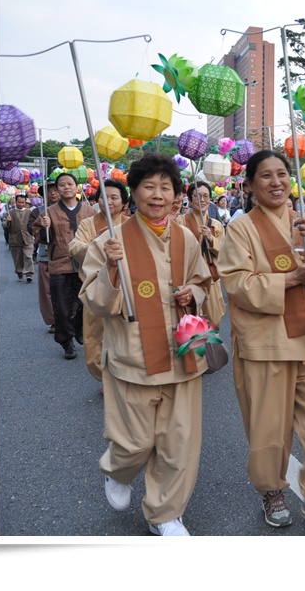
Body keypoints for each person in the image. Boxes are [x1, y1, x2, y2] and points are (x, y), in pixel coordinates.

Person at [79, 153, 213, 536]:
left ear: (176, 195)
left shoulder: (186, 238)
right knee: (134, 443)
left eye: (165, 187)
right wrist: (110, 268)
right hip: (133, 358)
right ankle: (117, 470)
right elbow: (95, 303)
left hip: (182, 354)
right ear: (134, 193)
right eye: (148, 186)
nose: (157, 195)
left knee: (179, 443)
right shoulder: (110, 241)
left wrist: (193, 294)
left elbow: (203, 283)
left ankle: (165, 514)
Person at [217, 150, 305, 535]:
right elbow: (236, 283)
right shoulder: (241, 228)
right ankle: (272, 490)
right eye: (266, 176)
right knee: (268, 432)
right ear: (249, 185)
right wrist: (290, 279)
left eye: (282, 174)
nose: (276, 182)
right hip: (268, 344)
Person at [70, 179, 131, 386]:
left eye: (115, 197)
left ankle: (121, 375)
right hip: (97, 287)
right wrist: (98, 245)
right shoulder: (88, 224)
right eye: (104, 197)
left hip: (124, 290)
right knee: (95, 336)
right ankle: (103, 376)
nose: (109, 202)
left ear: (124, 202)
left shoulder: (131, 225)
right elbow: (75, 247)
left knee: (124, 335)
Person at [32, 172, 87, 360]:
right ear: (57, 189)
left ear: (76, 187)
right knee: (61, 307)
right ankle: (67, 342)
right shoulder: (48, 212)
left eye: (69, 184)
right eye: (61, 185)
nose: (66, 187)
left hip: (85, 265)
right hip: (59, 265)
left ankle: (79, 326)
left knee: (86, 302)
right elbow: (39, 237)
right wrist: (44, 227)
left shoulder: (89, 211)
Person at [183, 181, 227, 329]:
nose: (202, 200)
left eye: (206, 196)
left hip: (210, 278)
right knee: (191, 321)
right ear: (190, 199)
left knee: (214, 320)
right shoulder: (181, 222)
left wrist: (210, 238)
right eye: (197, 196)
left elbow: (224, 252)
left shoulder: (216, 225)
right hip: (189, 278)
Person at [30, 180, 59, 333]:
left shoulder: (71, 208)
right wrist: (41, 225)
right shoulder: (38, 211)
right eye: (49, 190)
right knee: (48, 290)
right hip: (46, 256)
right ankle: (54, 320)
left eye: (55, 189)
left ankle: (70, 318)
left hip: (69, 256)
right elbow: (31, 229)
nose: (53, 193)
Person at [6, 193, 35, 283]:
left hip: (28, 238)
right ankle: (19, 272)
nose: (21, 204)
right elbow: (5, 226)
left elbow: (33, 224)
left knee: (28, 256)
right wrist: (8, 221)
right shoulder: (10, 212)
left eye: (23, 202)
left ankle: (29, 273)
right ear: (15, 202)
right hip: (15, 239)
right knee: (18, 258)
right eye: (19, 202)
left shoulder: (29, 212)